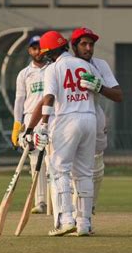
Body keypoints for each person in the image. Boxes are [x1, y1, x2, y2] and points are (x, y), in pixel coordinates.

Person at [27, 30, 104, 236]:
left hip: (66, 120)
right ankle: (84, 223)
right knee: (84, 173)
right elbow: (97, 91)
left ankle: (65, 220)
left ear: (50, 51)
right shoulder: (87, 65)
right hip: (89, 119)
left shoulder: (53, 68)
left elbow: (49, 97)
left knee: (59, 170)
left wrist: (43, 124)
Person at [70, 27, 123, 219]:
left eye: (91, 44)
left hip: (95, 116)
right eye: (83, 44)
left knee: (96, 166)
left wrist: (100, 87)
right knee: (71, 168)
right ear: (74, 46)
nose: (88, 48)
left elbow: (118, 95)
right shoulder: (66, 64)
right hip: (69, 119)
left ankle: (89, 208)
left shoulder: (100, 64)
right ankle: (73, 214)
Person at [11, 35, 51, 214]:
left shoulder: (53, 69)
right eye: (34, 48)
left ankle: (56, 201)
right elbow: (19, 100)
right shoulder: (24, 74)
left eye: (41, 48)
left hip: (52, 117)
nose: (38, 51)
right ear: (29, 50)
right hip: (30, 120)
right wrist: (17, 125)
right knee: (36, 160)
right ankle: (41, 202)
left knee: (54, 159)